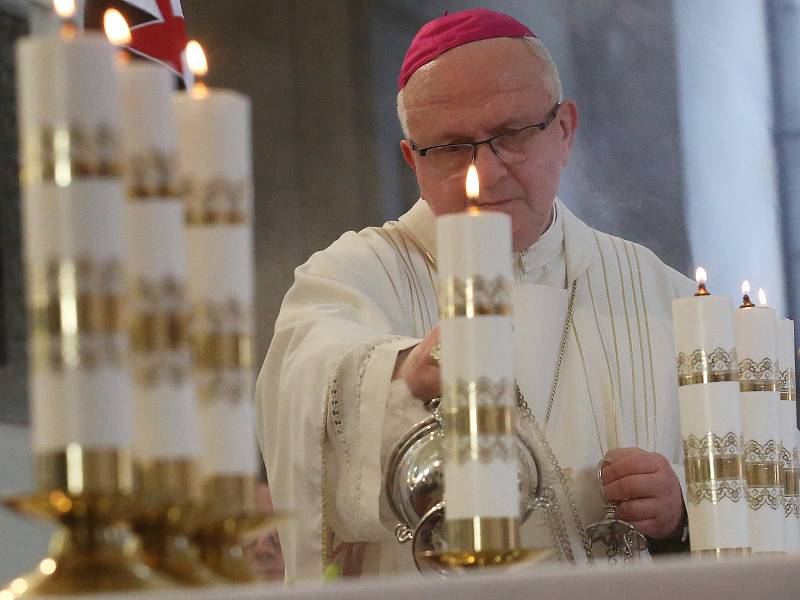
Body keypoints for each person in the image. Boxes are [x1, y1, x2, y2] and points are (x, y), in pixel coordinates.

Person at [255, 8, 694, 583]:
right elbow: (304, 376)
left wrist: (681, 506)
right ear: (413, 159)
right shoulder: (355, 273)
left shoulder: (659, 293)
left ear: (564, 130)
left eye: (510, 135)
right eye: (452, 147)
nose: (484, 174)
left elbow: (760, 475)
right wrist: (401, 374)